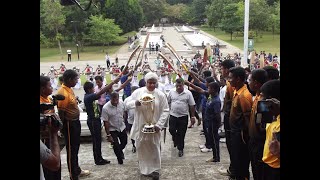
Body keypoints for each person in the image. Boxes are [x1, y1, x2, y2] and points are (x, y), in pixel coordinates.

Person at [126, 72, 169, 180]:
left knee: (154, 148)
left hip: (155, 127)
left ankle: (155, 170)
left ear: (156, 83)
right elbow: (127, 104)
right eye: (149, 83)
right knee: (141, 147)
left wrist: (159, 124)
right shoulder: (138, 92)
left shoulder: (160, 95)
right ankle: (144, 169)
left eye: (153, 83)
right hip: (141, 126)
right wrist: (135, 103)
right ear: (145, 82)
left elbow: (165, 110)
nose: (151, 85)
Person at [57, 69, 90, 180]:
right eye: (76, 79)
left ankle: (77, 169)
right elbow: (61, 112)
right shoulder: (62, 93)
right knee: (71, 151)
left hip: (75, 122)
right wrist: (61, 128)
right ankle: (73, 175)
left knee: (75, 148)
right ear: (70, 79)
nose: (77, 81)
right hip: (69, 124)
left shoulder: (69, 89)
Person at [83, 75, 120, 165]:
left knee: (98, 140)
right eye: (93, 88)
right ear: (89, 89)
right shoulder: (88, 96)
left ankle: (99, 158)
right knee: (96, 140)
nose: (94, 90)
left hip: (95, 120)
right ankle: (98, 159)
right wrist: (113, 82)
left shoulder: (90, 96)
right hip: (92, 121)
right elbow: (102, 91)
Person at [228, 67, 253, 180]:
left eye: (231, 78)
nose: (229, 80)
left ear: (238, 79)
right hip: (235, 132)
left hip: (241, 135)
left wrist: (246, 138)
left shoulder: (244, 96)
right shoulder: (236, 91)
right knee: (236, 160)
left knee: (241, 161)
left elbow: (248, 119)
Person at [247, 69, 268, 180]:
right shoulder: (257, 96)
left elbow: (262, 125)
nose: (248, 82)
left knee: (259, 171)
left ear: (256, 83)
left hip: (259, 143)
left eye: (250, 80)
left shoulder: (263, 101)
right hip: (253, 141)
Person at [167, 78, 196, 157]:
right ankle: (175, 139)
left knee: (182, 133)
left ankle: (180, 149)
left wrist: (192, 116)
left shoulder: (188, 93)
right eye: (177, 86)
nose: (178, 87)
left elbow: (191, 105)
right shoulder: (171, 92)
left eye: (180, 86)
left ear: (183, 85)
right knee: (171, 130)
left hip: (183, 116)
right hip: (173, 115)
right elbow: (167, 102)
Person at [40, 75, 61, 180]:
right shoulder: (41, 103)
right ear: (43, 89)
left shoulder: (48, 99)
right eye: (49, 86)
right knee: (49, 170)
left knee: (57, 169)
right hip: (45, 140)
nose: (52, 88)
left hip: (52, 137)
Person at [260, 80, 280, 180]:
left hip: (276, 169)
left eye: (263, 97)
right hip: (267, 163)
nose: (261, 100)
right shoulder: (271, 116)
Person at [101, 92, 128, 164]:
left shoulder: (121, 103)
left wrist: (125, 121)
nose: (116, 101)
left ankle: (119, 150)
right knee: (115, 144)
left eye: (117, 99)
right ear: (110, 98)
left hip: (121, 127)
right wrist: (108, 135)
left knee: (124, 142)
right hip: (112, 129)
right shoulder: (105, 108)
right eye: (114, 99)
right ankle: (120, 159)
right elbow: (105, 121)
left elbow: (125, 112)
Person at [204, 82, 221, 162]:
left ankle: (216, 157)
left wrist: (218, 124)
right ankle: (214, 156)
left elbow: (217, 114)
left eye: (209, 88)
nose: (208, 90)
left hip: (213, 123)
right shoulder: (211, 96)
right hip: (209, 122)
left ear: (214, 90)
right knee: (211, 139)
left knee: (214, 140)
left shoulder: (216, 101)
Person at [124, 86, 140, 153]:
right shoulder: (127, 100)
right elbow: (125, 110)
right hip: (130, 121)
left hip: (140, 121)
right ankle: (134, 145)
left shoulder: (141, 99)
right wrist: (125, 120)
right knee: (132, 134)